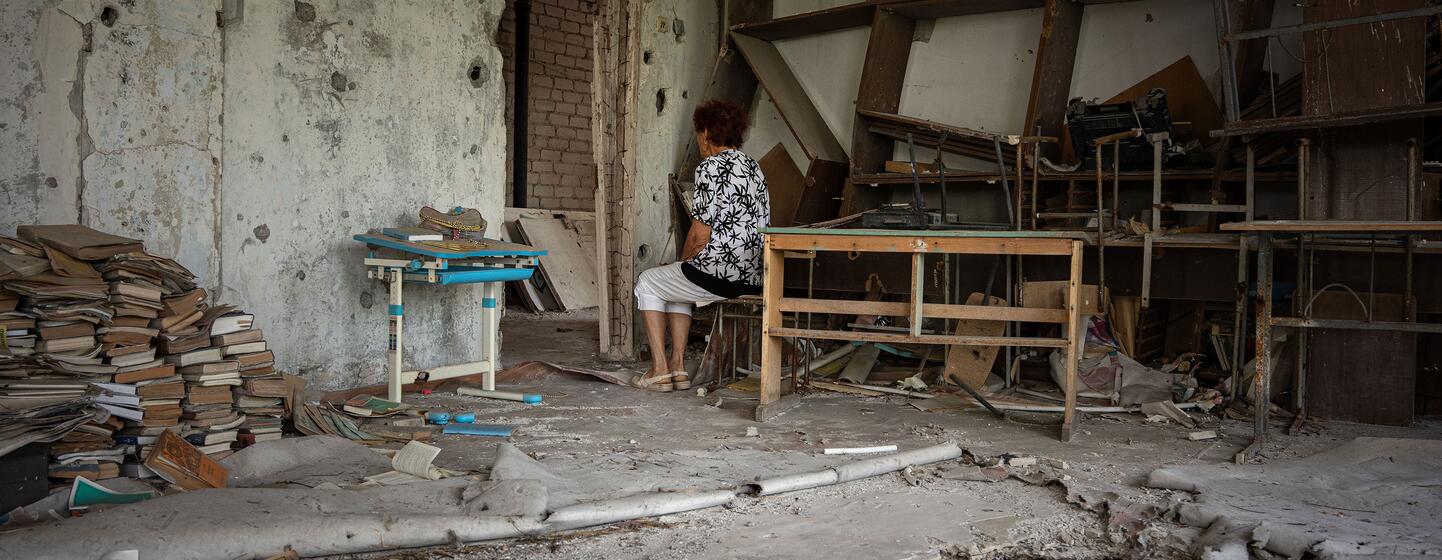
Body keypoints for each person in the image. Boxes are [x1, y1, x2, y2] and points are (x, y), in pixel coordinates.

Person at [630, 100, 769, 392]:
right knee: (677, 284)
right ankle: (678, 369)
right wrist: (682, 268)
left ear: (706, 133)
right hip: (754, 275)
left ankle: (658, 370)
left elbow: (700, 235)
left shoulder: (710, 167)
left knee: (647, 283)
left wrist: (683, 262)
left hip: (720, 274)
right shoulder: (753, 167)